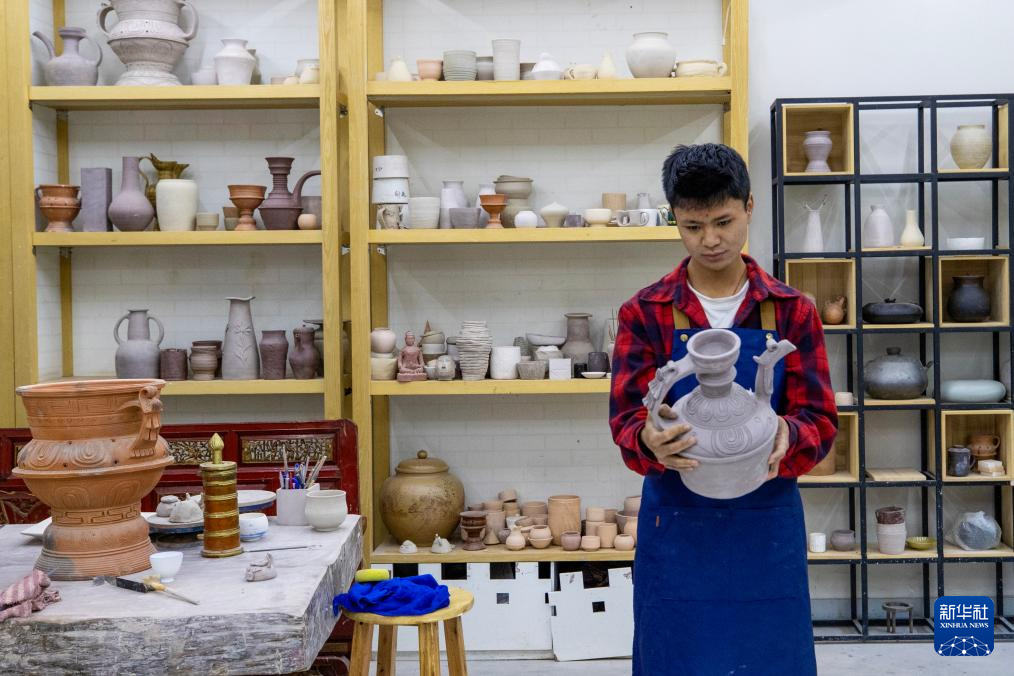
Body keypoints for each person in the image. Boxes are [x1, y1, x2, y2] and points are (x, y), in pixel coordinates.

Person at [609, 143, 837, 675]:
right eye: (692, 226)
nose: (710, 240)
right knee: (677, 656)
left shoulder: (791, 311)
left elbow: (820, 418)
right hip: (678, 523)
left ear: (749, 207)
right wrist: (647, 440)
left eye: (723, 222)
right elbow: (625, 419)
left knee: (770, 659)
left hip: (765, 524)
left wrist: (789, 433)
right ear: (674, 218)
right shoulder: (646, 312)